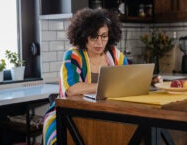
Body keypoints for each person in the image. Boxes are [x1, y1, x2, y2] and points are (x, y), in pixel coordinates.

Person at [42, 8, 129, 145]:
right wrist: (107, 86)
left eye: (104, 36)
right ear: (84, 36)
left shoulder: (114, 55)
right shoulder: (73, 55)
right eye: (94, 37)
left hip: (104, 112)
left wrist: (151, 79)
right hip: (68, 115)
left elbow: (128, 77)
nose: (99, 42)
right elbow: (72, 89)